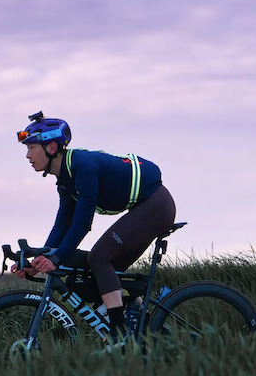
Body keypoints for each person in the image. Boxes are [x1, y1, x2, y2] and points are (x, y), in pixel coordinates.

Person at [11, 111, 176, 346]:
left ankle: (118, 335)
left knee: (99, 258)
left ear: (51, 147)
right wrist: (37, 260)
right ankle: (140, 325)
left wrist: (56, 258)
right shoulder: (66, 180)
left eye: (31, 147)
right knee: (101, 274)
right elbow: (62, 225)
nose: (27, 155)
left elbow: (81, 223)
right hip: (146, 207)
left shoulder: (82, 167)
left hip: (156, 205)